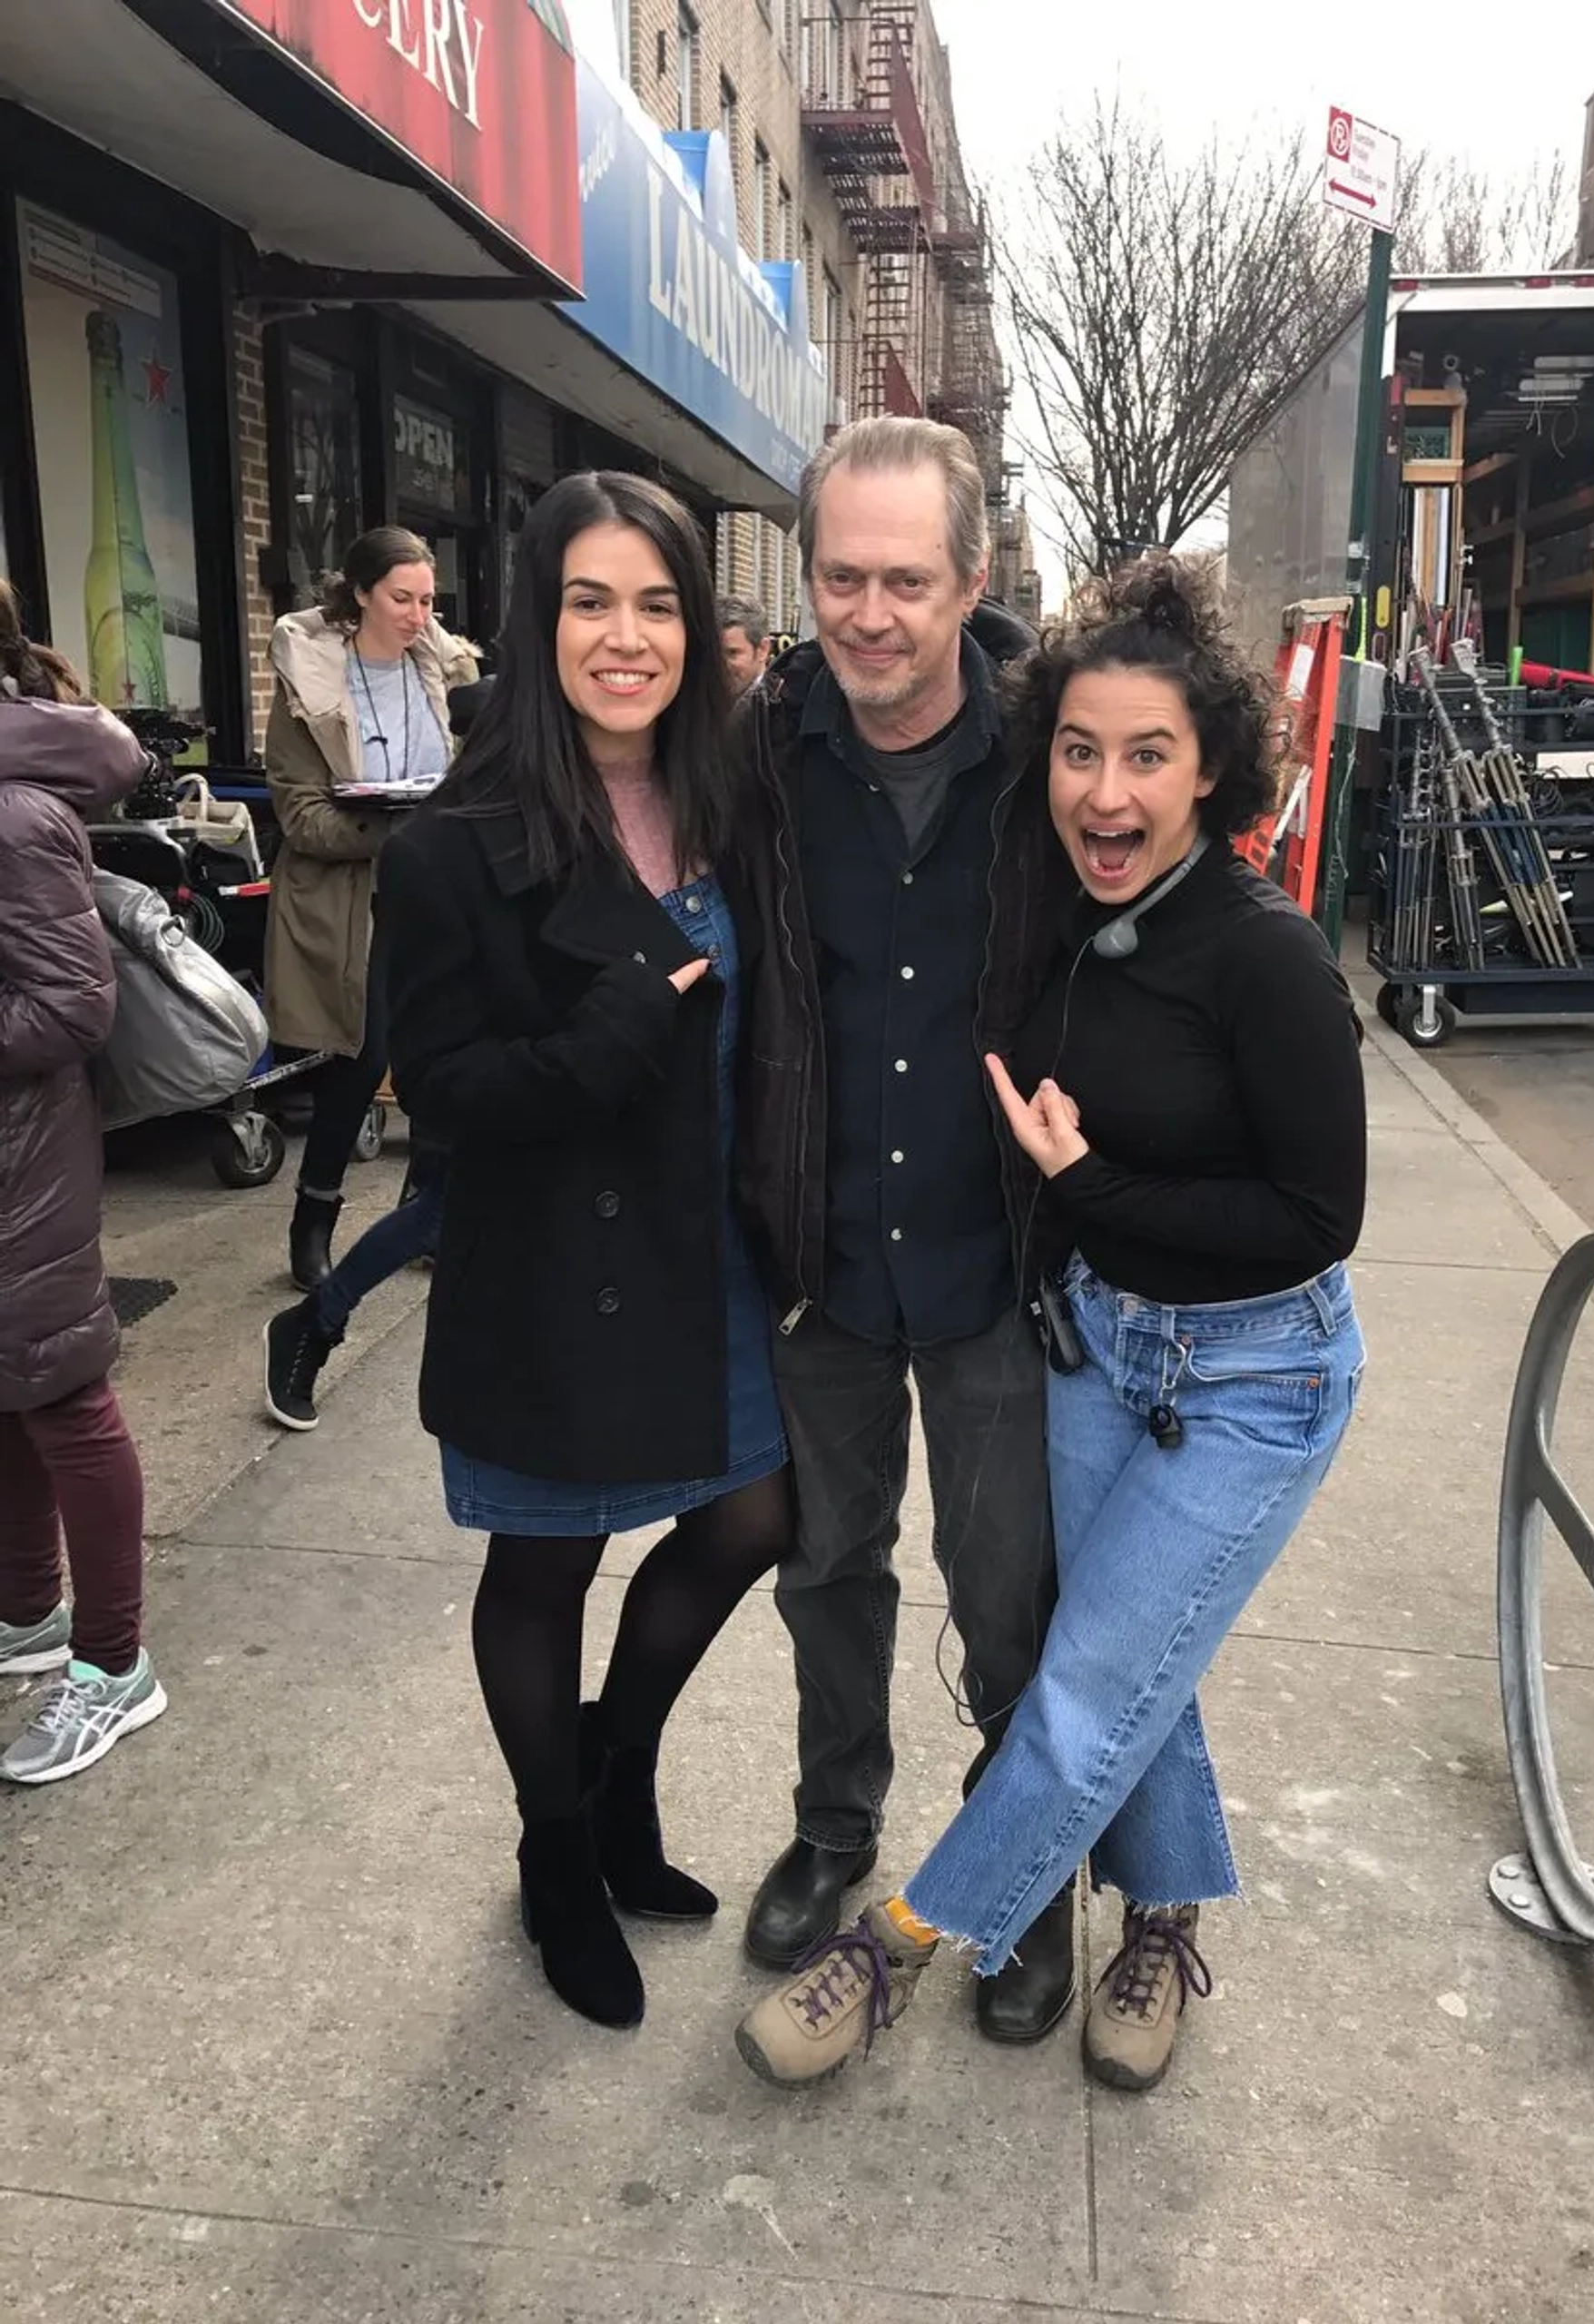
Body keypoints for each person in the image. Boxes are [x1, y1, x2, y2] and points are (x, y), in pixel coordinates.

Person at [735, 554, 1368, 2093]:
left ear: (1211, 766)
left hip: (1258, 1371)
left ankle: (902, 1942)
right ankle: (1161, 1915)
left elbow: (1317, 1221)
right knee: (1132, 1653)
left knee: (1088, 1682)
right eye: (1080, 751)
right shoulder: (1065, 916)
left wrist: (1093, 1183)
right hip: (1100, 1344)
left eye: (1148, 754)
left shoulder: (1266, 957)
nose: (1106, 787)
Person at [376, 473, 792, 2030]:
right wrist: (619, 1029)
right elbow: (453, 1101)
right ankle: (560, 1855)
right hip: (551, 1267)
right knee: (543, 1566)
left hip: (711, 1256)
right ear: (539, 618)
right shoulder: (453, 849)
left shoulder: (737, 808)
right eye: (591, 602)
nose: (628, 638)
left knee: (757, 1515)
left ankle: (615, 1774)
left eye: (660, 602)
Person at [734, 415, 1077, 2044]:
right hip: (824, 1263)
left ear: (974, 579)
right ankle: (834, 1832)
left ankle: (1013, 1878)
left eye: (904, 581)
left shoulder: (1051, 753)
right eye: (840, 577)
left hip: (1001, 1266)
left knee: (1008, 1594)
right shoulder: (756, 749)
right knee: (827, 1571)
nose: (867, 614)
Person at [0, 585, 168, 1784]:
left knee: (61, 1392)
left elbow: (72, 1004)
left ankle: (114, 1667)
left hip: (20, 1164)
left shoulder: (13, 816)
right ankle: (27, 1618)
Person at [259, 676, 497, 1431]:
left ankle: (317, 1321)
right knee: (443, 1210)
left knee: (455, 1215)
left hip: (519, 1056)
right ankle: (314, 1321)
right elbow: (411, 978)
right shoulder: (437, 839)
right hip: (473, 1064)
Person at [263, 526, 477, 1294]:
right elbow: (300, 820)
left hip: (441, 896)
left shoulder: (446, 677)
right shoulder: (309, 690)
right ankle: (312, 1223)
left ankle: (427, 1218)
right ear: (359, 595)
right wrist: (392, 827)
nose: (421, 615)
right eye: (402, 598)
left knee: (444, 1059)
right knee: (359, 1064)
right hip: (357, 901)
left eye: (429, 599)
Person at [718, 595, 772, 699]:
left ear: (763, 650)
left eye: (732, 653)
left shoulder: (786, 707)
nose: (721, 665)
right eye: (715, 654)